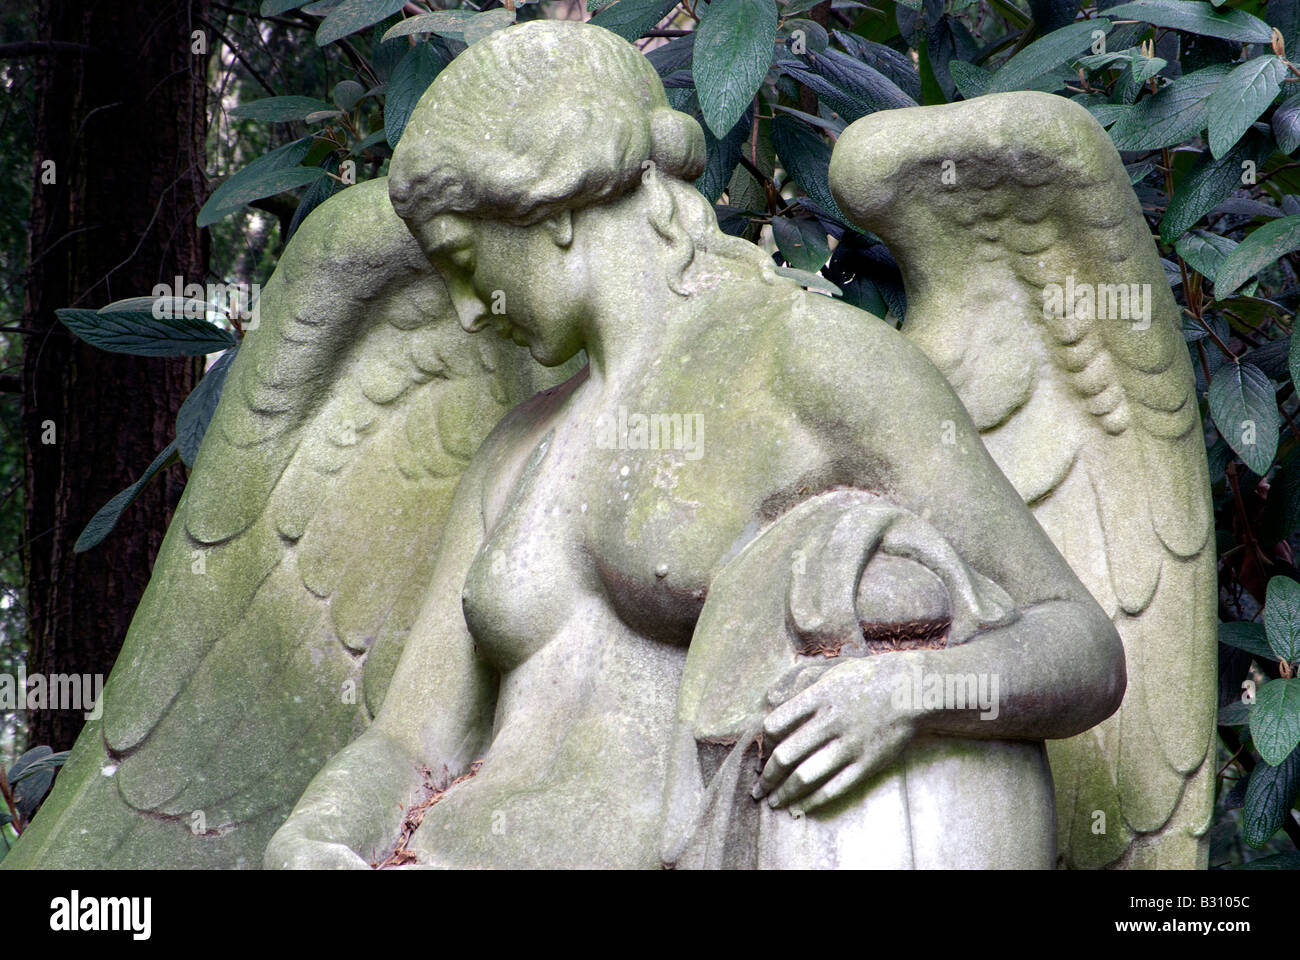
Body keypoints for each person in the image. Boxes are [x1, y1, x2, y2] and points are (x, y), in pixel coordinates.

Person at [264, 19, 1124, 869]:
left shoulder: (809, 362)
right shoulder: (513, 453)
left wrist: (909, 692)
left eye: (463, 257)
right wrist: (318, 834)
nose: (464, 308)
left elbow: (1081, 646)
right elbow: (410, 742)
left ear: (551, 205)